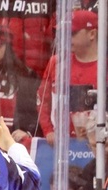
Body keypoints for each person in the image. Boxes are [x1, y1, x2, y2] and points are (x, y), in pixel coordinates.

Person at [38, 10, 100, 146]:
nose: (66, 38)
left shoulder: (104, 68)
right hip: (60, 146)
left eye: (72, 33)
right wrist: (48, 131)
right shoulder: (57, 63)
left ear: (92, 34)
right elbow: (42, 100)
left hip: (97, 147)